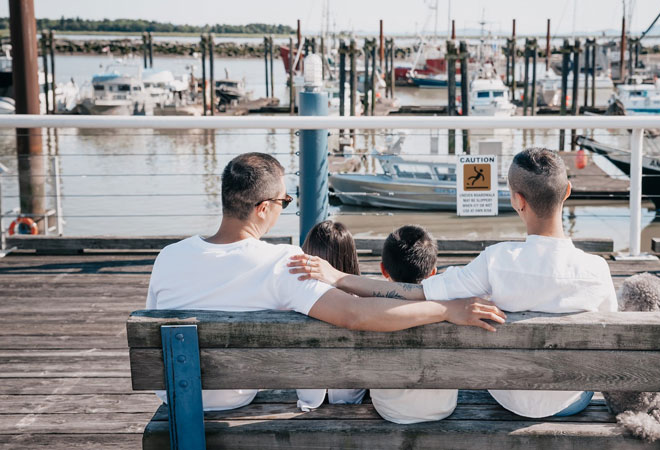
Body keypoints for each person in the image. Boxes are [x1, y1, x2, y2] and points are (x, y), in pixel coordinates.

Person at [146, 152, 505, 411]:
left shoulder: (169, 256)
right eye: (284, 201)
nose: (284, 207)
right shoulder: (281, 262)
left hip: (178, 396)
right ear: (262, 208)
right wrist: (446, 309)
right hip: (234, 398)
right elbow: (358, 316)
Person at [289, 148, 617, 419]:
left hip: (511, 397)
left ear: (517, 200)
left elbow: (417, 293)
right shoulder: (598, 271)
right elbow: (612, 343)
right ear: (568, 192)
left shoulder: (496, 262)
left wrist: (339, 278)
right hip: (570, 401)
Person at [370, 225, 458, 424]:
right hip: (443, 407)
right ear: (433, 272)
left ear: (383, 269)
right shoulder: (453, 306)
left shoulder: (371, 310)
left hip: (389, 408)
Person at [296, 220, 366, 410]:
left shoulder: (294, 301)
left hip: (308, 397)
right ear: (351, 257)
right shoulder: (363, 303)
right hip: (350, 396)